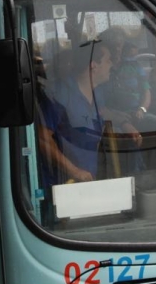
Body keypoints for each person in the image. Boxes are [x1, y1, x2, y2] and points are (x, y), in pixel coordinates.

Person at [38, 41, 140, 185]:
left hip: (86, 179)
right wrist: (74, 171)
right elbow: (42, 138)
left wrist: (124, 124)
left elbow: (102, 112)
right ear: (93, 65)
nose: (112, 64)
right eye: (108, 60)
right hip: (62, 184)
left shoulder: (97, 91)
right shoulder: (60, 94)